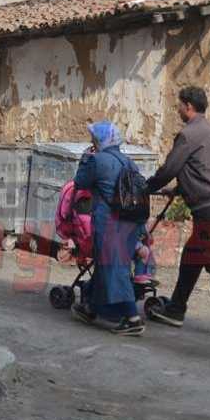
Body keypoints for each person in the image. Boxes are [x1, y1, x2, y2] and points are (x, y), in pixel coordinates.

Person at [145, 87, 210, 341]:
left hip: (209, 206)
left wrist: (146, 187)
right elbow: (205, 169)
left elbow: (170, 167)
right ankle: (176, 309)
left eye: (179, 105)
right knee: (197, 256)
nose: (178, 110)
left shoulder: (188, 134)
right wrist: (181, 189)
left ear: (189, 106)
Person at [71, 120, 145, 336]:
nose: (91, 140)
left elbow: (79, 183)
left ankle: (132, 319)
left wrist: (85, 158)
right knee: (105, 266)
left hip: (110, 222)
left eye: (94, 137)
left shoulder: (97, 161)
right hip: (130, 223)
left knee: (116, 268)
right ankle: (91, 308)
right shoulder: (129, 162)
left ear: (100, 139)